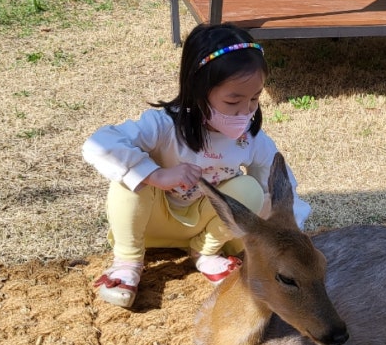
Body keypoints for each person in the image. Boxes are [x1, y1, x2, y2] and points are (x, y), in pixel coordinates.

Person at [83, 22, 311, 308]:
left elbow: (278, 188)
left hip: (207, 227)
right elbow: (100, 143)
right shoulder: (164, 125)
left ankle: (205, 253)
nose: (246, 111)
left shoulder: (251, 139)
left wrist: (292, 235)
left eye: (255, 98)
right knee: (127, 181)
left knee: (250, 189)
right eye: (233, 101)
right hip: (153, 222)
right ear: (198, 90)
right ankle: (127, 261)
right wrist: (157, 175)